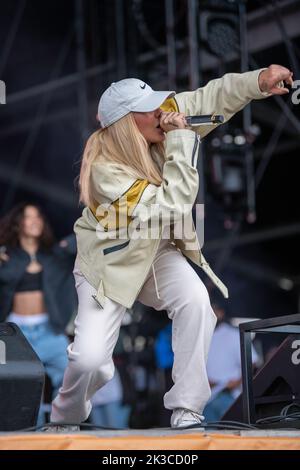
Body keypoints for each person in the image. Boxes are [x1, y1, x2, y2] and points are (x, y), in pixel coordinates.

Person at [50, 64, 293, 430]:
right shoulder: (105, 172)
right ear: (127, 122)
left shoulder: (161, 120)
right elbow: (175, 205)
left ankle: (187, 411)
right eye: (150, 108)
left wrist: (258, 80)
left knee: (197, 302)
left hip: (155, 249)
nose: (163, 112)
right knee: (90, 361)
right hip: (108, 265)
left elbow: (212, 97)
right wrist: (181, 139)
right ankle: (63, 420)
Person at [0, 202, 77, 423]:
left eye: (38, 217)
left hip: (49, 330)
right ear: (18, 224)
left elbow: (82, 241)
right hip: (16, 333)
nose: (35, 221)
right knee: (16, 386)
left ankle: (60, 428)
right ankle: (27, 436)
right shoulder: (8, 257)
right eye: (28, 217)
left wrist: (65, 244)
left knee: (70, 379)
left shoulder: (53, 256)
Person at [203, 299, 259, 422]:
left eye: (213, 310)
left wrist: (238, 382)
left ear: (221, 312)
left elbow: (252, 363)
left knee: (231, 436)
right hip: (207, 399)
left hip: (229, 396)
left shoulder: (233, 334)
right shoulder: (202, 336)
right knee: (206, 437)